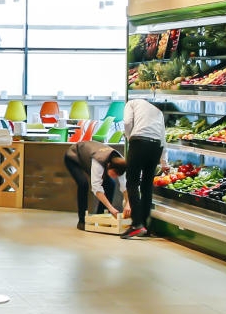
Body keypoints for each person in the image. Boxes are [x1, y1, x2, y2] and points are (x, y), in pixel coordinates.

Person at [120, 97, 167, 238]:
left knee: (132, 182)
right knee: (147, 185)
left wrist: (129, 137)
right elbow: (163, 137)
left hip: (139, 141)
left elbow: (127, 122)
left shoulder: (131, 103)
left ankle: (136, 224)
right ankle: (145, 226)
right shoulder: (158, 112)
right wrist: (164, 162)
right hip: (156, 146)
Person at [63, 139, 126, 231]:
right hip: (73, 157)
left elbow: (124, 186)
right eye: (114, 174)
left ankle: (101, 217)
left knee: (111, 184)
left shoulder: (121, 163)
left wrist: (128, 204)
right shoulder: (98, 162)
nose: (116, 176)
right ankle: (82, 221)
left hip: (88, 156)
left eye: (117, 175)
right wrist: (111, 208)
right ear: (108, 166)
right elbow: (96, 188)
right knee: (83, 184)